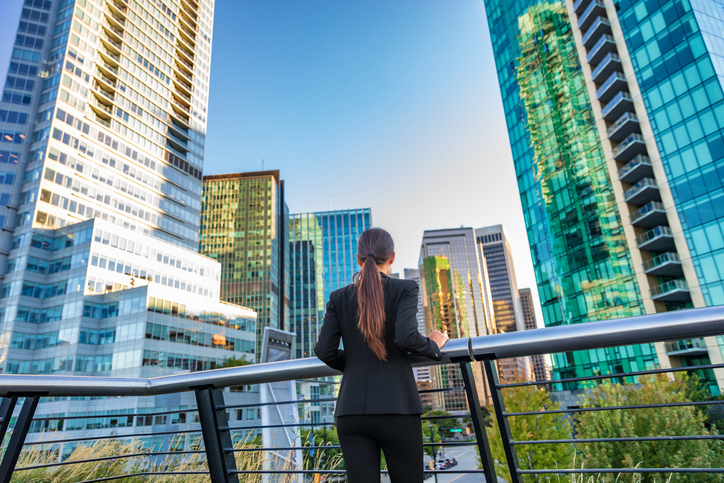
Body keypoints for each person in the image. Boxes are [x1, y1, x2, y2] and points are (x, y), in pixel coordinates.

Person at [315, 227, 449, 482]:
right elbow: (406, 336)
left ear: (358, 259)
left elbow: (324, 351)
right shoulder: (405, 289)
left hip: (351, 413)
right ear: (393, 257)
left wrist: (354, 365)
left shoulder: (338, 297)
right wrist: (433, 345)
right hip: (397, 409)